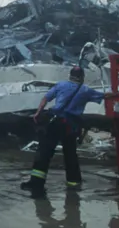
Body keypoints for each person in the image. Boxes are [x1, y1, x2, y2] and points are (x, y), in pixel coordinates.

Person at [20, 65, 108, 198]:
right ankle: (74, 184)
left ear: (70, 75)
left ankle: (36, 184)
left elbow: (45, 98)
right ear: (82, 77)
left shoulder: (60, 85)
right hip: (71, 127)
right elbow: (105, 95)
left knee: (44, 153)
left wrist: (38, 113)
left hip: (55, 123)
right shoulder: (85, 90)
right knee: (71, 155)